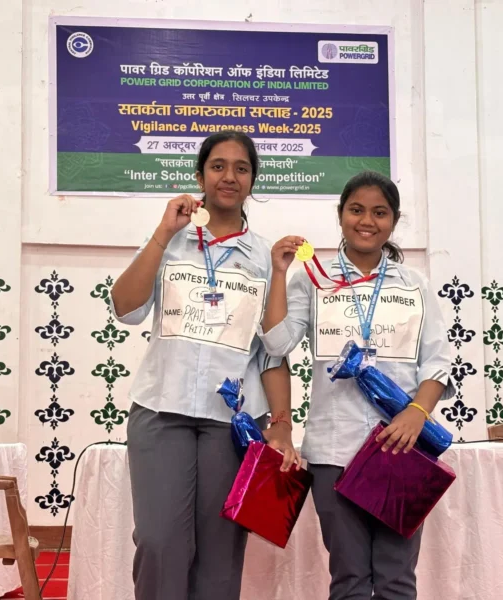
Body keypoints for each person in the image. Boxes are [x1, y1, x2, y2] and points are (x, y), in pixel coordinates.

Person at [110, 130, 300, 600]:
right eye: (218, 166)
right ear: (200, 176)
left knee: (220, 553)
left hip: (231, 424)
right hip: (161, 411)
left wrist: (281, 426)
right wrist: (162, 233)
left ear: (253, 180)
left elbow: (272, 352)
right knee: (159, 543)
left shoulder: (266, 258)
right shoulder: (171, 241)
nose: (229, 176)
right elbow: (125, 307)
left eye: (241, 168)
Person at [259, 170, 455, 600]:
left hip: (401, 449)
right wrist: (278, 272)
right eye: (357, 210)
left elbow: (438, 364)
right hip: (334, 450)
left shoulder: (415, 285)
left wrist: (416, 413)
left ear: (394, 221)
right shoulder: (313, 278)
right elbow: (276, 343)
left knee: (396, 579)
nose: (367, 221)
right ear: (341, 215)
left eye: (380, 213)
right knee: (348, 579)